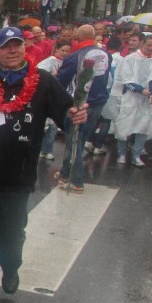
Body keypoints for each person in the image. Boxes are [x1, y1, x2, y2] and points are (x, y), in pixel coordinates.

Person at [0, 26, 86, 297]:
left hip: (16, 176)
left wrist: (74, 116)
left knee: (11, 232)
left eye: (16, 44)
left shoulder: (43, 82)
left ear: (24, 47)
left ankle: (10, 267)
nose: (12, 50)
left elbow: (66, 114)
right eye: (5, 46)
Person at [55, 24, 112, 193]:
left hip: (80, 104)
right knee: (79, 140)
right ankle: (65, 173)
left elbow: (61, 81)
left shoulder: (76, 56)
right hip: (99, 102)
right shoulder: (105, 54)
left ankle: (76, 181)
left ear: (78, 36)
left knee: (75, 142)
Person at [111, 33, 152, 166]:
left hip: (146, 101)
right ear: (142, 44)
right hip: (131, 98)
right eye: (148, 45)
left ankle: (136, 155)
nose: (150, 48)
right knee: (124, 126)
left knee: (143, 127)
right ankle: (121, 153)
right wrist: (139, 89)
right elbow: (124, 78)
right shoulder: (130, 59)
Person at [37, 41, 71, 160]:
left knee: (53, 126)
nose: (65, 53)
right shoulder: (50, 61)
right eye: (63, 50)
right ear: (56, 50)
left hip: (61, 96)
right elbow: (38, 72)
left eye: (67, 51)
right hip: (48, 97)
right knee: (43, 126)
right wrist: (51, 74)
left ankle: (47, 150)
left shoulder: (68, 63)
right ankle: (38, 149)